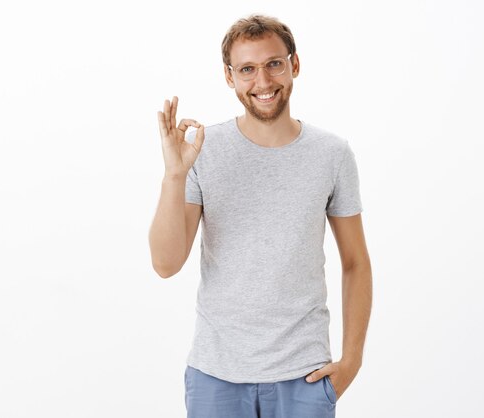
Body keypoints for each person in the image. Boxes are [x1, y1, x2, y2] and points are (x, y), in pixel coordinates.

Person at [148, 14, 372, 418]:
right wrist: (175, 174)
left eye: (274, 64)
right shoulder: (203, 150)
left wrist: (352, 360)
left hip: (304, 377)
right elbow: (165, 263)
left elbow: (355, 262)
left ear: (294, 65)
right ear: (229, 77)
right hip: (216, 376)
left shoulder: (332, 154)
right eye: (247, 69)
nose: (263, 82)